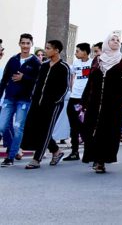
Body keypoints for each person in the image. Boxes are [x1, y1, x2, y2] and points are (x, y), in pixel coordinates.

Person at [81, 31, 122, 173]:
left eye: (118, 40)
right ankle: (93, 156)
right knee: (90, 129)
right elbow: (90, 81)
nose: (116, 42)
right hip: (95, 102)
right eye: (113, 39)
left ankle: (101, 160)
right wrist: (84, 100)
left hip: (113, 103)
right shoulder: (97, 60)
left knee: (107, 132)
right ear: (107, 42)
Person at [19, 40, 70, 169]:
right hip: (37, 102)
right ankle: (56, 151)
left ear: (56, 50)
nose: (46, 50)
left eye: (48, 48)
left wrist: (55, 100)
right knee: (36, 129)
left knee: (46, 130)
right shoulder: (44, 65)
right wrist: (34, 97)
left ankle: (37, 159)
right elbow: (38, 83)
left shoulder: (63, 67)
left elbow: (65, 87)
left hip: (53, 105)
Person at [0, 33, 42, 167]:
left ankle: (10, 157)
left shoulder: (35, 62)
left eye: (27, 43)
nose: (25, 46)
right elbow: (5, 79)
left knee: (18, 128)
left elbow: (39, 81)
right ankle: (15, 148)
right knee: (2, 126)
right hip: (9, 98)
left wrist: (24, 78)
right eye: (23, 43)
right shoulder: (13, 60)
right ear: (19, 44)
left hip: (24, 100)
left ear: (31, 44)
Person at [62, 43, 92, 161]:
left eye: (78, 51)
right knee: (74, 126)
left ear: (85, 52)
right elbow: (72, 75)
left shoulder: (92, 63)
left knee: (85, 126)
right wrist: (70, 88)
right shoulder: (76, 63)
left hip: (85, 98)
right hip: (74, 97)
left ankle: (89, 152)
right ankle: (74, 152)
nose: (76, 53)